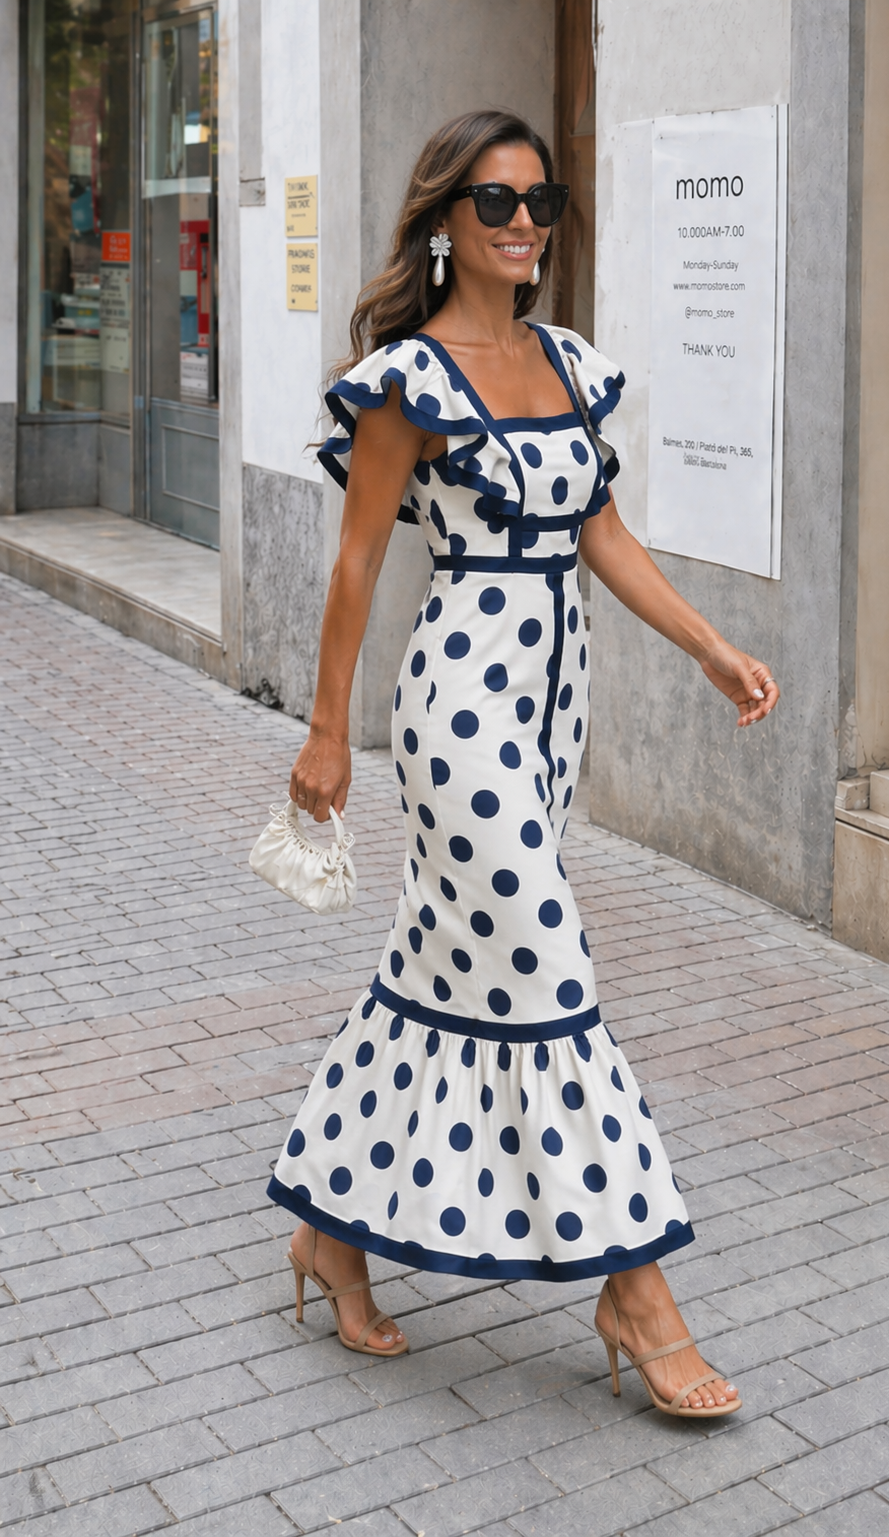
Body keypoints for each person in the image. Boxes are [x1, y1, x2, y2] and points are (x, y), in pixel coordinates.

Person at [267, 108, 778, 1418]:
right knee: (547, 956)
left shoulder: (562, 363)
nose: (521, 225)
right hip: (457, 708)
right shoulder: (409, 381)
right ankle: (635, 1286)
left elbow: (600, 533)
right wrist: (327, 730)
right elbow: (354, 567)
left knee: (439, 963)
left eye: (538, 202)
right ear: (444, 224)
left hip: (552, 704)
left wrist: (711, 647)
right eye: (494, 205)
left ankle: (331, 1232)